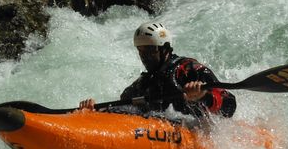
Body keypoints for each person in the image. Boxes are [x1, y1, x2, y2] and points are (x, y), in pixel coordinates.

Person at [79, 22, 236, 119]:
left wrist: (203, 97)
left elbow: (229, 105)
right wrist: (94, 111)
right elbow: (122, 109)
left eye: (150, 51)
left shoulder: (188, 69)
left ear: (165, 49)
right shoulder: (143, 84)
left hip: (195, 133)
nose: (144, 57)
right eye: (141, 51)